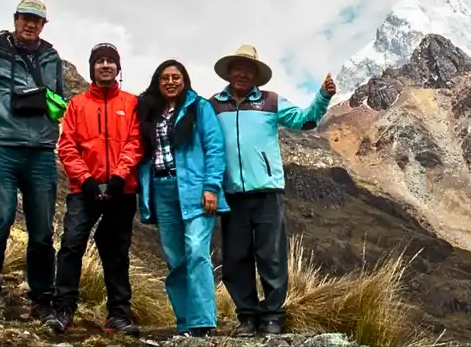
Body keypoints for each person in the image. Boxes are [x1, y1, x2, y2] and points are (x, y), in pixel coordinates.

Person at [209, 44, 336, 336]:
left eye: (248, 69)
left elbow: (306, 120)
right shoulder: (213, 105)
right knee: (235, 257)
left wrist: (323, 96)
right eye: (238, 68)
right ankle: (246, 317)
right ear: (229, 72)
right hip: (231, 195)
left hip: (267, 192)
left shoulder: (271, 101)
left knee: (272, 255)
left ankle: (272, 317)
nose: (242, 73)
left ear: (256, 75)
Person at [0, 0, 66, 322]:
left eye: (37, 21)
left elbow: (59, 97)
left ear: (43, 25)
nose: (30, 25)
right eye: (26, 18)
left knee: (42, 230)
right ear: (15, 19)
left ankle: (42, 296)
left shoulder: (52, 57)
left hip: (40, 152)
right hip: (1, 149)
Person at [47, 43, 143, 335]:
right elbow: (67, 146)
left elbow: (135, 143)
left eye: (110, 61)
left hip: (121, 190)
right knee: (71, 246)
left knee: (117, 251)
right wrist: (86, 180)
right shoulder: (77, 104)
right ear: (92, 67)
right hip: (83, 190)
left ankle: (119, 315)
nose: (105, 66)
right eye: (99, 61)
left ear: (118, 68)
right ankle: (63, 309)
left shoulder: (131, 103)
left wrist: (118, 177)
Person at [136, 60, 230, 338]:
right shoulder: (149, 111)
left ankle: (203, 323)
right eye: (165, 77)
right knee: (175, 258)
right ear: (157, 81)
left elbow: (215, 148)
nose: (171, 82)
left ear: (185, 80)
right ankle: (184, 323)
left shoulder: (200, 108)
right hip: (162, 188)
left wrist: (211, 187)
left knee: (197, 251)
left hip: (195, 188)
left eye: (176, 77)